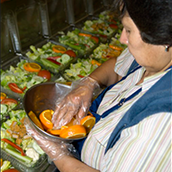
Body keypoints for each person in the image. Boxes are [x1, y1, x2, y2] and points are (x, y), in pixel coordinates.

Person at [25, 0, 172, 171]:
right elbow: (117, 67)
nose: (122, 39)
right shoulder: (153, 57)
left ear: (165, 38)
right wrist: (88, 84)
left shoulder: (160, 122)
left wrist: (59, 155)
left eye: (129, 31)